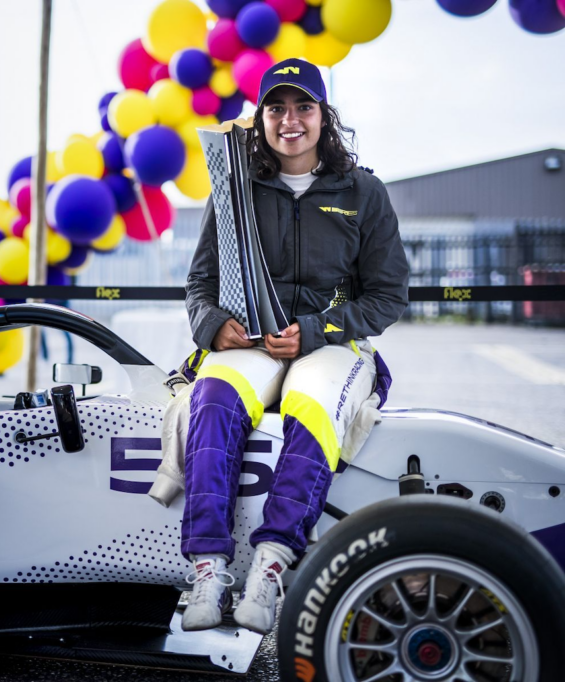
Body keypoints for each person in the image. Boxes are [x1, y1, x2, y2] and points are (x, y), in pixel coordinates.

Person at [179, 58, 409, 633]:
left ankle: (272, 564)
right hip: (250, 343)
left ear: (322, 117)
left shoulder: (363, 192)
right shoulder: (236, 189)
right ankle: (207, 567)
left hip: (327, 346)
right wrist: (211, 326)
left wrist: (315, 330)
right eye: (276, 108)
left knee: (311, 408)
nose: (289, 121)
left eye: (303, 107)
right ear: (260, 119)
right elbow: (200, 282)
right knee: (212, 399)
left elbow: (388, 297)